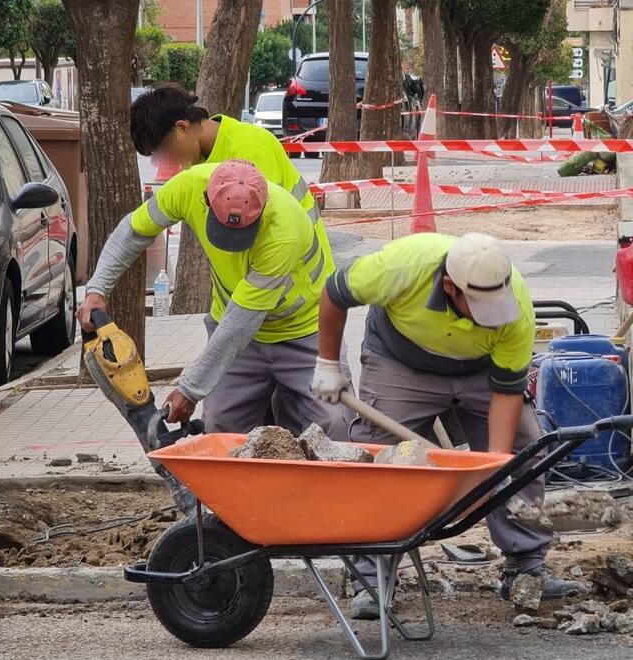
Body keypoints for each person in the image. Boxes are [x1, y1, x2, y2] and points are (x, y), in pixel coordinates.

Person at [311, 231, 585, 619]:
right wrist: (327, 363)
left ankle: (526, 566)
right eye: (478, 305)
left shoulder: (516, 310)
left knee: (522, 453)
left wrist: (491, 469)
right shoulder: (402, 266)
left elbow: (505, 395)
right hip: (400, 361)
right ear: (449, 287)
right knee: (379, 458)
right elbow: (335, 293)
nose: (488, 313)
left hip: (480, 369)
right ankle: (372, 578)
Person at [78, 159, 350, 438]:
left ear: (263, 205)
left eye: (244, 232)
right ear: (206, 199)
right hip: (239, 337)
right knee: (221, 430)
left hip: (307, 332)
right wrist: (97, 290)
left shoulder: (284, 229)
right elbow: (134, 231)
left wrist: (190, 389)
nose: (233, 241)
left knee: (334, 426)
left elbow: (242, 322)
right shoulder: (189, 185)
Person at [129, 83, 331, 275]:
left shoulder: (248, 150)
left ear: (182, 128)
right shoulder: (201, 162)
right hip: (255, 291)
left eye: (163, 150)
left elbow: (275, 241)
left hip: (294, 285)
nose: (163, 161)